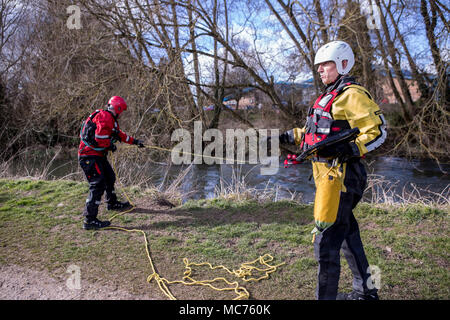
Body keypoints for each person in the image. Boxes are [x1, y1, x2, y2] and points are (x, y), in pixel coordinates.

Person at [278, 41, 387, 300]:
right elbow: (316, 133)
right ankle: (367, 292)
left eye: (326, 65)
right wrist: (289, 136)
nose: (320, 70)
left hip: (343, 178)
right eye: (319, 66)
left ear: (343, 64)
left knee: (325, 242)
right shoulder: (328, 96)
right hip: (327, 177)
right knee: (347, 234)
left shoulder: (352, 94)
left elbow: (378, 132)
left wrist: (350, 149)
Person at [78, 96, 145, 230]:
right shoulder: (106, 117)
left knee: (110, 177)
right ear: (118, 108)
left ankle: (112, 203)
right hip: (89, 156)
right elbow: (99, 138)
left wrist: (135, 141)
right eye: (121, 111)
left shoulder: (108, 118)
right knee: (98, 184)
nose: (121, 114)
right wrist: (109, 145)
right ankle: (89, 220)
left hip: (97, 155)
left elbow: (119, 134)